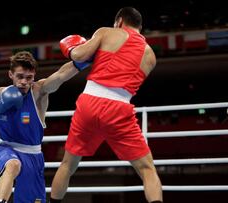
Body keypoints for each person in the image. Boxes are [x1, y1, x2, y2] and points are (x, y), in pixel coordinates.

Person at [50, 7, 163, 203]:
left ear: (119, 21)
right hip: (119, 107)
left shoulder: (106, 32)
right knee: (147, 169)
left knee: (68, 164)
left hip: (89, 102)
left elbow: (78, 56)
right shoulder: (151, 56)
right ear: (140, 27)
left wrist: (72, 48)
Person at [0, 51, 87, 203]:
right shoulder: (1, 93)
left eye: (29, 77)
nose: (24, 82)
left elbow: (61, 75)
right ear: (10, 74)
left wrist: (84, 59)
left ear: (34, 75)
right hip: (7, 148)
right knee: (12, 165)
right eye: (20, 76)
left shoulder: (39, 91)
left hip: (33, 156)